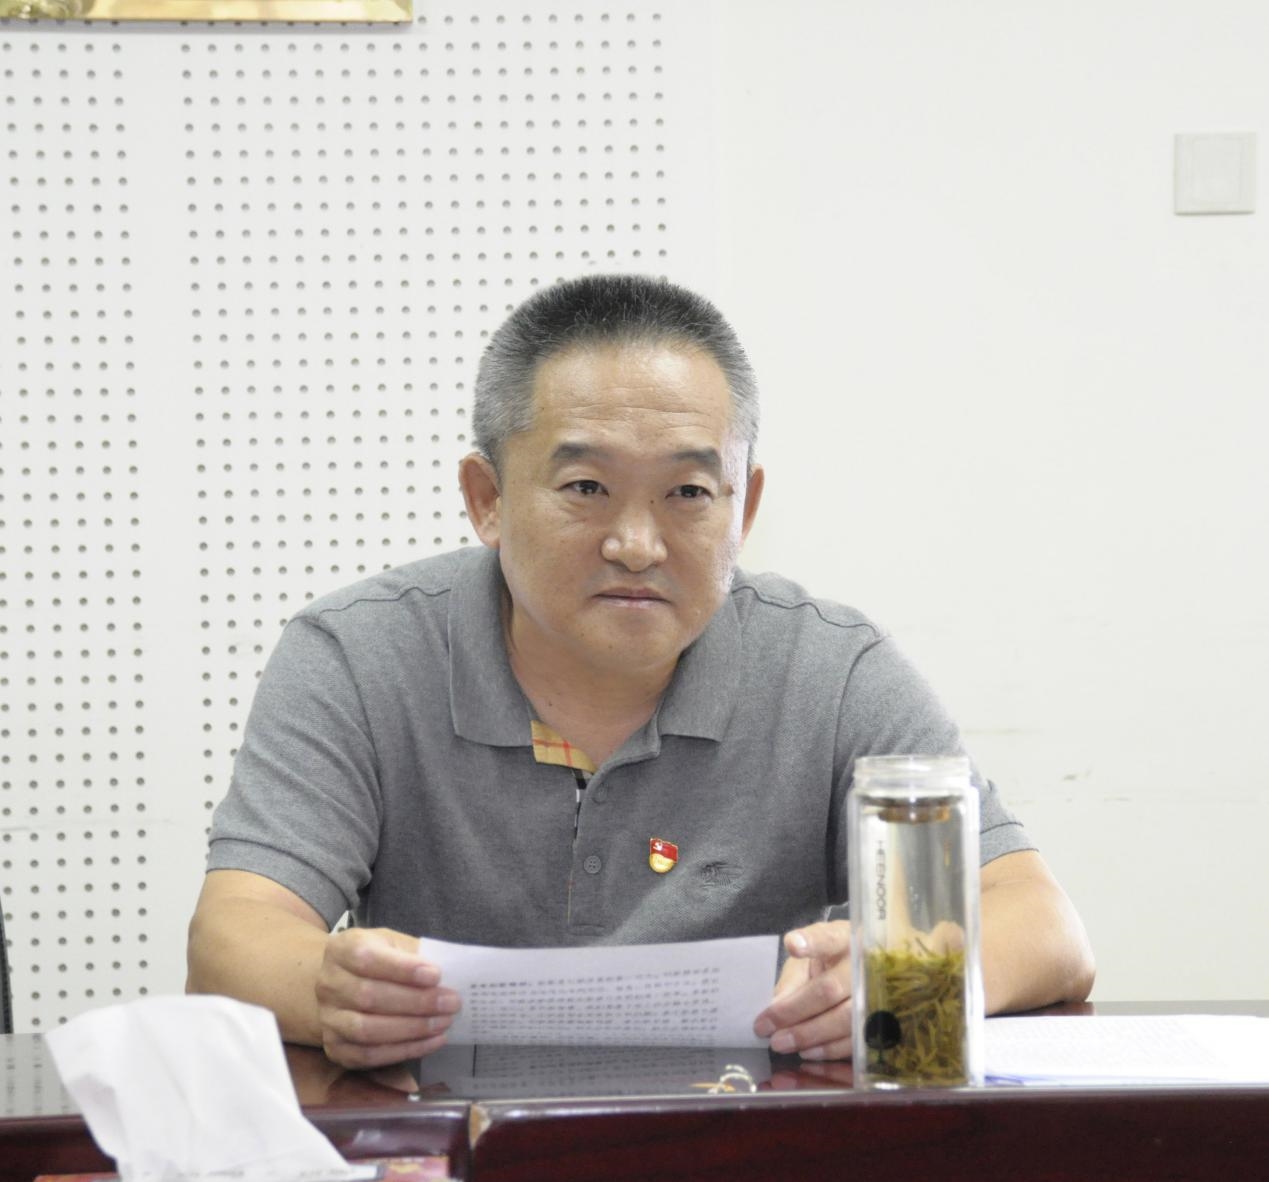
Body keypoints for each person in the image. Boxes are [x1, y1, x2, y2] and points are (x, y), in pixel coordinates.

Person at [187, 274, 1094, 1068]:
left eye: (687, 492)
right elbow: (233, 935)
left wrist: (902, 977)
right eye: (585, 488)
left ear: (743, 508)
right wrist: (327, 988)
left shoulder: (828, 670)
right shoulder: (359, 656)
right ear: (486, 499)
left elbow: (1042, 926)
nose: (636, 544)